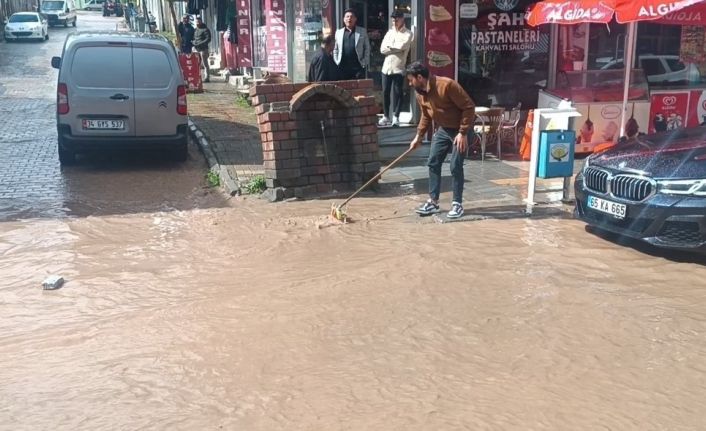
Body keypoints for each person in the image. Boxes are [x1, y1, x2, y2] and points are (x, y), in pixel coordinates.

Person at [406, 61, 475, 219]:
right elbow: (426, 114)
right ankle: (433, 201)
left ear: (420, 77)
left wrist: (463, 132)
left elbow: (469, 107)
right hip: (443, 129)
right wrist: (418, 136)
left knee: (455, 165)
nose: (410, 84)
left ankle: (457, 204)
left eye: (411, 80)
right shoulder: (420, 92)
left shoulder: (447, 85)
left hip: (460, 130)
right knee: (433, 162)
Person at [379, 10, 412, 127]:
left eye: (396, 19)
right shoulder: (389, 33)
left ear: (402, 19)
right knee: (385, 92)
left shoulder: (408, 33)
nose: (394, 21)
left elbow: (403, 46)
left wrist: (390, 48)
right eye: (393, 19)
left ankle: (396, 116)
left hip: (398, 68)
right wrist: (395, 49)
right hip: (386, 68)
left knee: (398, 93)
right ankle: (386, 116)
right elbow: (382, 49)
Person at [333, 8, 370, 80]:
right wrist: (337, 62)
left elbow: (367, 48)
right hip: (342, 68)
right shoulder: (338, 32)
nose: (349, 19)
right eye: (347, 16)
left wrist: (365, 62)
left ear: (355, 19)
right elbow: (335, 49)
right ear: (344, 19)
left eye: (351, 16)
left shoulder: (362, 31)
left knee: (358, 90)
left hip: (358, 68)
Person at [193, 16, 212, 82]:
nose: (198, 22)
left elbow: (208, 39)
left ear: (201, 21)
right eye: (196, 21)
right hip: (196, 49)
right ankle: (197, 77)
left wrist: (200, 43)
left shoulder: (205, 29)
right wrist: (193, 42)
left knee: (205, 63)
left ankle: (207, 77)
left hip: (203, 49)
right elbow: (194, 38)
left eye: (199, 21)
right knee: (196, 64)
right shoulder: (195, 30)